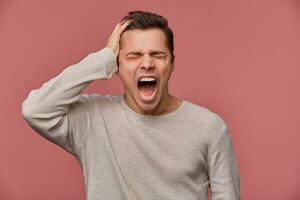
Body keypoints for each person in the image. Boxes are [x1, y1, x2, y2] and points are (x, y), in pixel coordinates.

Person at [22, 10, 240, 200]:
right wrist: (103, 58)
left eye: (157, 55)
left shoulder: (209, 127)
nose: (147, 64)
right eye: (134, 56)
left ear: (172, 64)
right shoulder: (93, 118)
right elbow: (36, 110)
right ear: (117, 65)